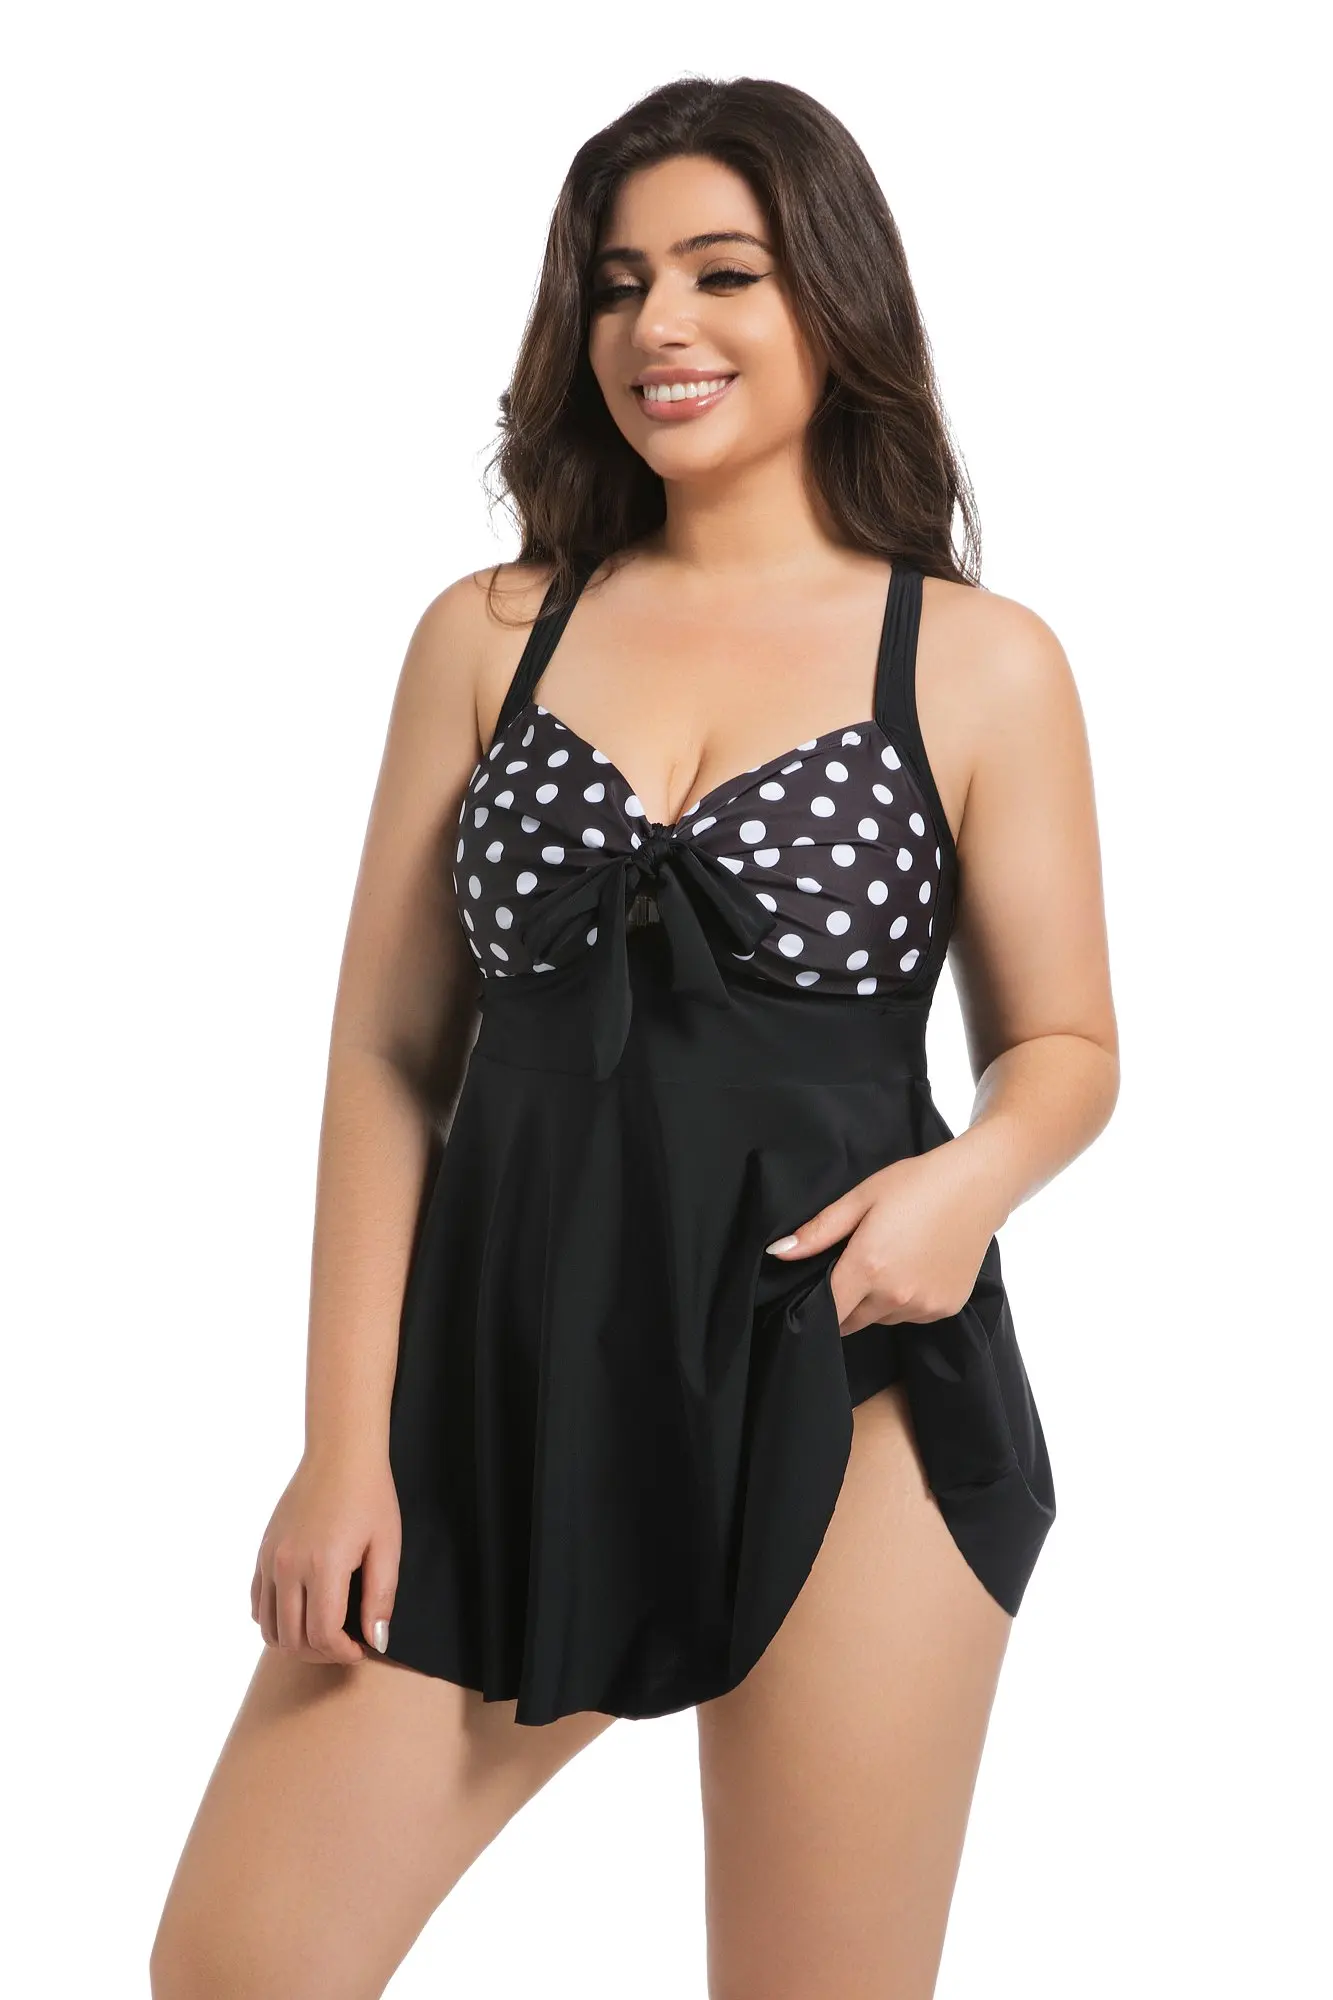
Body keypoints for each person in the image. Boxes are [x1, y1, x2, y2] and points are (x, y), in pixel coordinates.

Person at [151, 74, 1118, 2000]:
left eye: (721, 273)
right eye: (616, 284)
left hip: (849, 1382)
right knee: (239, 1967)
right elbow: (387, 1056)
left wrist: (964, 1189)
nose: (659, 324)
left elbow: (1069, 1044)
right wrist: (344, 1447)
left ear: (832, 296)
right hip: (499, 1387)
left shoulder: (978, 657)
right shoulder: (490, 632)